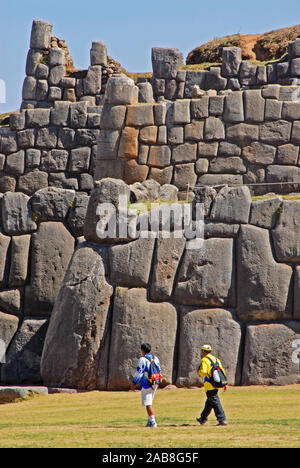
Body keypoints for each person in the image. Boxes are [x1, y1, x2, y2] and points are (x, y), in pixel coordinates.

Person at [196, 344, 228, 426]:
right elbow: (222, 371)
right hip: (216, 383)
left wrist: (199, 372)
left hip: (209, 384)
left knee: (214, 401)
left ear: (203, 351)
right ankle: (202, 418)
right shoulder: (216, 359)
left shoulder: (204, 360)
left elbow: (203, 371)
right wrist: (224, 383)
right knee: (210, 402)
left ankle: (222, 419)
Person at [131, 342, 161, 428]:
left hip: (146, 383)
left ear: (142, 350)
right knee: (149, 401)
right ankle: (149, 421)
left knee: (148, 403)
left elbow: (139, 372)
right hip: (155, 382)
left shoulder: (142, 359)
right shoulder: (156, 358)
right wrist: (158, 382)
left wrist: (134, 383)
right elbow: (159, 370)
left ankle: (153, 421)